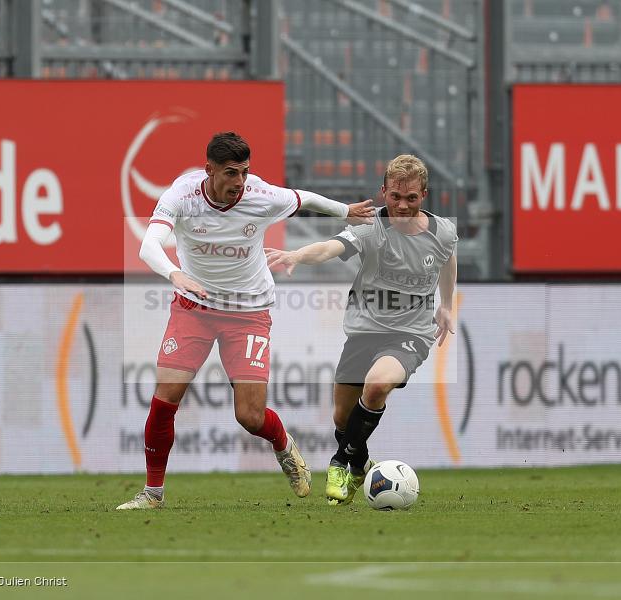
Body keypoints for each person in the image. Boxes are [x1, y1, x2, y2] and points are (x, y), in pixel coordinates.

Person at [117, 132, 375, 510]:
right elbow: (147, 244)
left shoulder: (260, 195)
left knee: (250, 416)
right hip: (194, 308)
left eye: (244, 172)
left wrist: (345, 211)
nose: (239, 182)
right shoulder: (181, 196)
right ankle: (152, 494)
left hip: (249, 312)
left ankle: (282, 443)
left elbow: (304, 198)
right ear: (209, 171)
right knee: (165, 397)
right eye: (230, 173)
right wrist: (176, 274)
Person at [265, 154, 457, 505]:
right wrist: (295, 256)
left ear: (424, 195)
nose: (402, 205)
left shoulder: (442, 231)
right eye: (395, 197)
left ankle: (340, 462)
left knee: (378, 384)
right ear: (383, 192)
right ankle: (360, 462)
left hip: (410, 334)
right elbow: (329, 248)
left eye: (411, 198)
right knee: (342, 415)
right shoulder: (370, 228)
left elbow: (448, 259)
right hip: (364, 332)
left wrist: (445, 305)